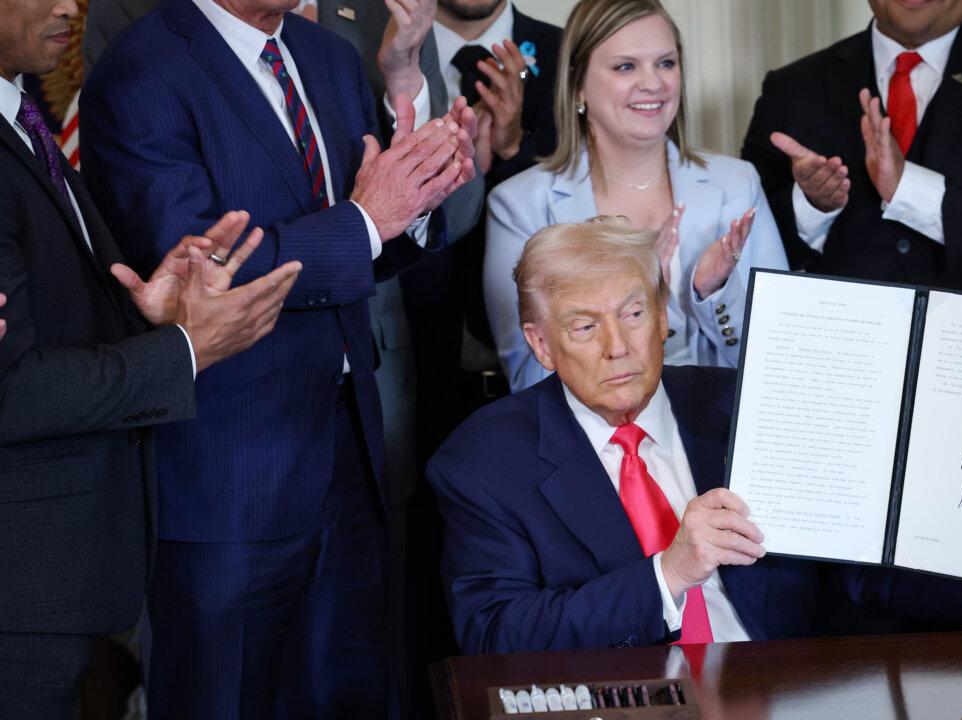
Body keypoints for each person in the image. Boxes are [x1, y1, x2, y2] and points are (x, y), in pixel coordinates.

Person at [77, 0, 477, 714]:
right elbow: (205, 273)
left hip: (351, 454)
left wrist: (419, 195)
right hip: (227, 474)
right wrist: (369, 219)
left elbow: (364, 245)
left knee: (354, 697)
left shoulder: (326, 57)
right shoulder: (139, 71)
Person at [428, 216, 962, 654]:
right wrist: (669, 573)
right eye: (584, 327)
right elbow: (495, 632)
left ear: (661, 317)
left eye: (632, 312)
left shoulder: (747, 403)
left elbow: (855, 567)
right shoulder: (484, 462)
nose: (619, 347)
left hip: (787, 691)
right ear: (540, 345)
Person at [0, 0, 301, 713]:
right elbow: (12, 393)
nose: (70, 5)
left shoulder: (20, 117)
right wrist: (185, 350)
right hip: (22, 594)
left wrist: (149, 316)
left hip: (67, 580)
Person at [484, 0, 788, 394]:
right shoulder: (520, 205)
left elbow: (779, 359)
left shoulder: (737, 184)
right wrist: (642, 297)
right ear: (577, 84)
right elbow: (529, 384)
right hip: (595, 451)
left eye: (666, 63)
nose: (654, 83)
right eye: (625, 66)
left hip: (719, 436)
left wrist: (712, 296)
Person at [741, 0, 962, 302]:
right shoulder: (791, 87)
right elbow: (745, 240)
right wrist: (812, 206)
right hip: (841, 353)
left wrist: (909, 189)